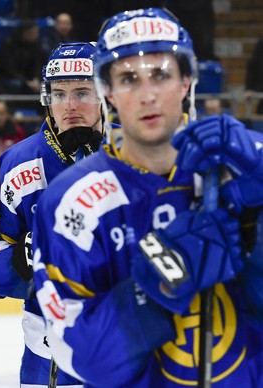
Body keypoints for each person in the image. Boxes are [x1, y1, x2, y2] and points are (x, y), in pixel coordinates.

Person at [32, 8, 263, 386]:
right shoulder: (71, 201)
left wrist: (257, 222)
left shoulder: (248, 161)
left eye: (161, 74)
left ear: (187, 81)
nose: (147, 94)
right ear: (107, 90)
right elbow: (82, 358)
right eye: (128, 78)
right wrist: (164, 275)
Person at [0, 42, 105, 387]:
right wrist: (22, 260)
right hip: (45, 350)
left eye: (83, 92)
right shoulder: (18, 162)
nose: (69, 105)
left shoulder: (135, 154)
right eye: (59, 94)